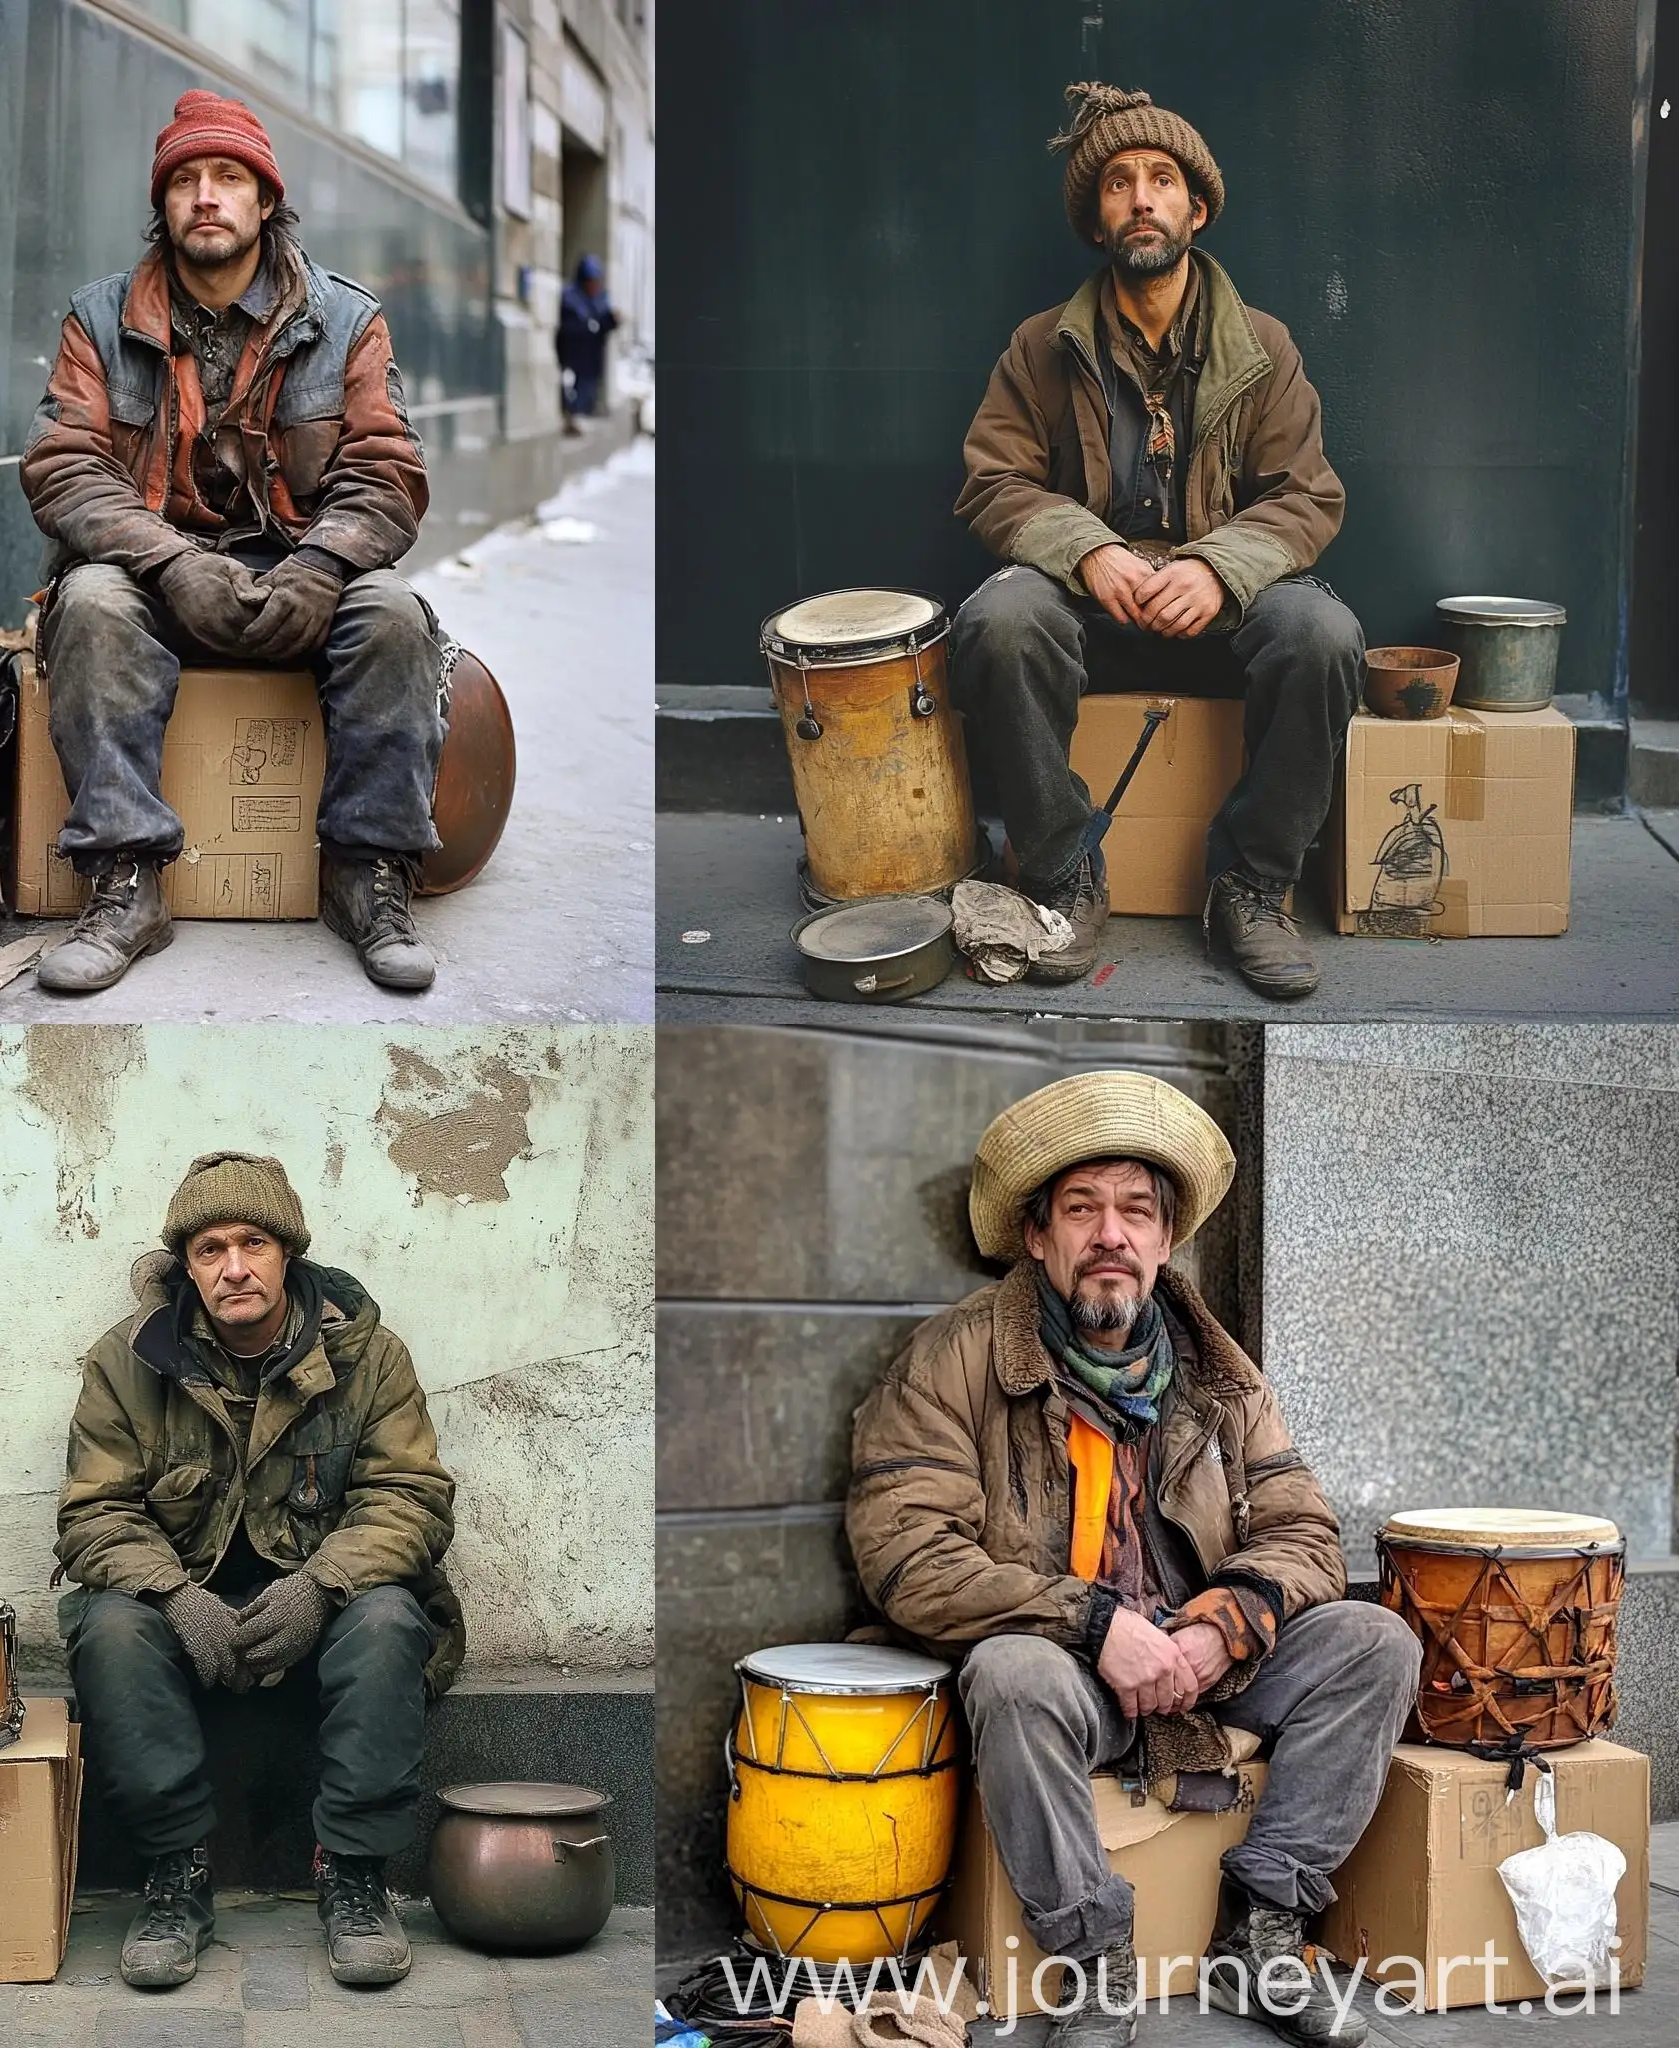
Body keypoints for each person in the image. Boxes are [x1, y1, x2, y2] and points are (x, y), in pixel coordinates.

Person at [846, 1072, 1418, 2048]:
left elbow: (1302, 1528)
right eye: (1081, 1208)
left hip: (1204, 1660)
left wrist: (1226, 1618)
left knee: (1372, 1639)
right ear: (1036, 1236)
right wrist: (1091, 1621)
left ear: (1162, 1240)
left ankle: (1263, 1936)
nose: (1109, 1231)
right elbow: (904, 1553)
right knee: (1009, 1670)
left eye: (1135, 1211)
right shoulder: (953, 1357)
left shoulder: (1219, 1372)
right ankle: (1096, 1965)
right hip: (1068, 1665)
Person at [22, 91, 448, 996]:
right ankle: (125, 883)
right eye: (184, 180)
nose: (205, 196)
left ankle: (365, 874)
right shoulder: (98, 320)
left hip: (299, 567)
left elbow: (388, 474)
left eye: (227, 177)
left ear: (265, 201)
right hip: (154, 571)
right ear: (162, 204)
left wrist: (322, 567)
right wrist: (171, 561)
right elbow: (64, 467)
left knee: (394, 615)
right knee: (91, 600)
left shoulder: (345, 320)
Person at [952, 84, 1364, 1002]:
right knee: (1001, 620)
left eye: (1163, 180)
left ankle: (1252, 886)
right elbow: (993, 480)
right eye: (1118, 184)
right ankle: (1061, 871)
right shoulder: (1039, 349)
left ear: (1197, 208)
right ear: (1098, 223)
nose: (1141, 197)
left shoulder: (1262, 346)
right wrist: (1088, 551)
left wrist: (1219, 568)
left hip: (1220, 600)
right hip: (1090, 600)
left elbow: (1307, 495)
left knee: (1324, 637)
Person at [54, 1151, 463, 1993]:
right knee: (111, 1628)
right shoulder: (127, 1361)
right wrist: (172, 1594)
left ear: (288, 1254)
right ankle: (175, 1875)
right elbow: (95, 1512)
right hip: (188, 1602)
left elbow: (411, 1499)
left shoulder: (369, 1356)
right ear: (186, 1267)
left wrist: (320, 1588)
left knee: (391, 1620)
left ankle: (354, 1872)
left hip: (326, 1599)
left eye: (253, 1244)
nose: (233, 1267)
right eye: (209, 1250)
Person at [556, 254, 618, 430]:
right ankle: (572, 418)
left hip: (592, 356)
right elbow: (568, 325)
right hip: (573, 355)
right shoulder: (570, 296)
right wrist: (588, 326)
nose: (594, 285)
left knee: (588, 389)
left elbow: (604, 321)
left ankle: (582, 415)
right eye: (590, 281)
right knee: (572, 390)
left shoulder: (599, 297)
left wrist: (612, 320)